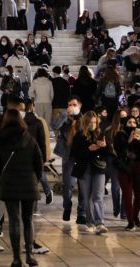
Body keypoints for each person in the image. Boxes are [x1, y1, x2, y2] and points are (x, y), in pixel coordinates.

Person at [0, 109, 43, 267]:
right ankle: (29, 255)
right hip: (29, 182)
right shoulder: (29, 139)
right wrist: (35, 178)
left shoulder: (0, 140)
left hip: (9, 184)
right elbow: (39, 162)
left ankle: (16, 258)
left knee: (14, 221)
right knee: (28, 220)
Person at [70, 111, 108, 234]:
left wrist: (104, 147)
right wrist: (88, 149)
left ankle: (100, 222)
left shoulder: (100, 134)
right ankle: (90, 221)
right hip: (84, 169)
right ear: (85, 123)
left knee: (98, 196)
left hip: (98, 168)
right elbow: (74, 155)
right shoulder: (79, 136)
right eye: (91, 122)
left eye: (95, 122)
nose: (93, 124)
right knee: (87, 197)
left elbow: (108, 154)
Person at [112, 114, 140, 231]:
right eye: (130, 123)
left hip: (139, 168)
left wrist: (139, 141)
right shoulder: (120, 135)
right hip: (125, 168)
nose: (132, 125)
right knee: (127, 196)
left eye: (134, 123)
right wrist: (129, 141)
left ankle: (135, 216)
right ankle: (130, 221)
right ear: (125, 124)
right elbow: (120, 151)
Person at [52, 96, 86, 224]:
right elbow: (54, 125)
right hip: (68, 156)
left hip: (81, 156)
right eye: (69, 104)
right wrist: (65, 115)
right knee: (68, 186)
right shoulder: (64, 118)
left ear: (80, 105)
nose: (71, 107)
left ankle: (81, 213)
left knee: (83, 187)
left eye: (74, 104)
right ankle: (67, 207)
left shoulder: (85, 119)